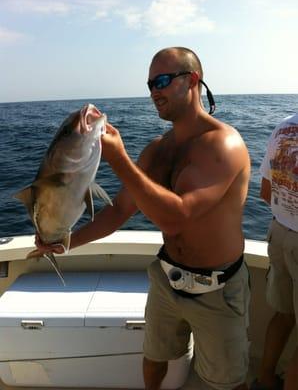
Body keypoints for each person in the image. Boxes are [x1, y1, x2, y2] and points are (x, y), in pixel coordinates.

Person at [36, 47, 251, 390]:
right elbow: (120, 210)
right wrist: (62, 244)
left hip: (219, 289)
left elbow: (177, 217)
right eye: (150, 83)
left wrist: (120, 159)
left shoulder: (224, 145)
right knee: (153, 361)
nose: (154, 91)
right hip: (167, 278)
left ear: (192, 80)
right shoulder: (157, 149)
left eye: (163, 81)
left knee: (226, 381)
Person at [251, 113, 298, 390]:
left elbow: (266, 192)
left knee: (283, 315)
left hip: (278, 234)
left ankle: (265, 379)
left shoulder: (283, 127)